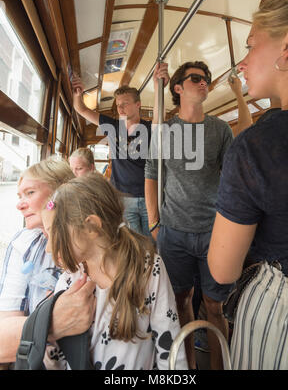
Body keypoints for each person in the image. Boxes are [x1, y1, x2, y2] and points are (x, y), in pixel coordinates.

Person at [208, 0, 288, 370]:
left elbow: (222, 269)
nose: (243, 62)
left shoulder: (256, 146)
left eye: (250, 45)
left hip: (282, 322)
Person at [41, 172, 188, 370]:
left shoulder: (148, 269)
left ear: (91, 226)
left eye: (54, 234)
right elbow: (56, 356)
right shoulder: (70, 279)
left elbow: (170, 347)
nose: (48, 248)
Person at [145, 60, 234, 369]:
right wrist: (154, 221)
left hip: (214, 231)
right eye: (196, 78)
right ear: (178, 88)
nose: (204, 82)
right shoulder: (165, 131)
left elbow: (233, 176)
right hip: (173, 231)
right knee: (181, 303)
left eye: (206, 79)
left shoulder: (220, 129)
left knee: (214, 307)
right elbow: (151, 175)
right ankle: (189, 369)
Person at [0, 157, 96, 367]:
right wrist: (52, 321)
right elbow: (2, 339)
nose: (19, 205)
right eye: (19, 196)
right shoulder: (22, 246)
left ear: (61, 191)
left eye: (30, 193)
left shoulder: (93, 241)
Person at [71, 67, 168, 238]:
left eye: (125, 104)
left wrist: (158, 87)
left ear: (138, 104)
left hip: (149, 198)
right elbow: (82, 110)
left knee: (153, 243)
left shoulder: (148, 128)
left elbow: (159, 116)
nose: (120, 109)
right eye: (118, 105)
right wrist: (78, 94)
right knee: (132, 243)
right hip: (123, 198)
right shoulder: (113, 127)